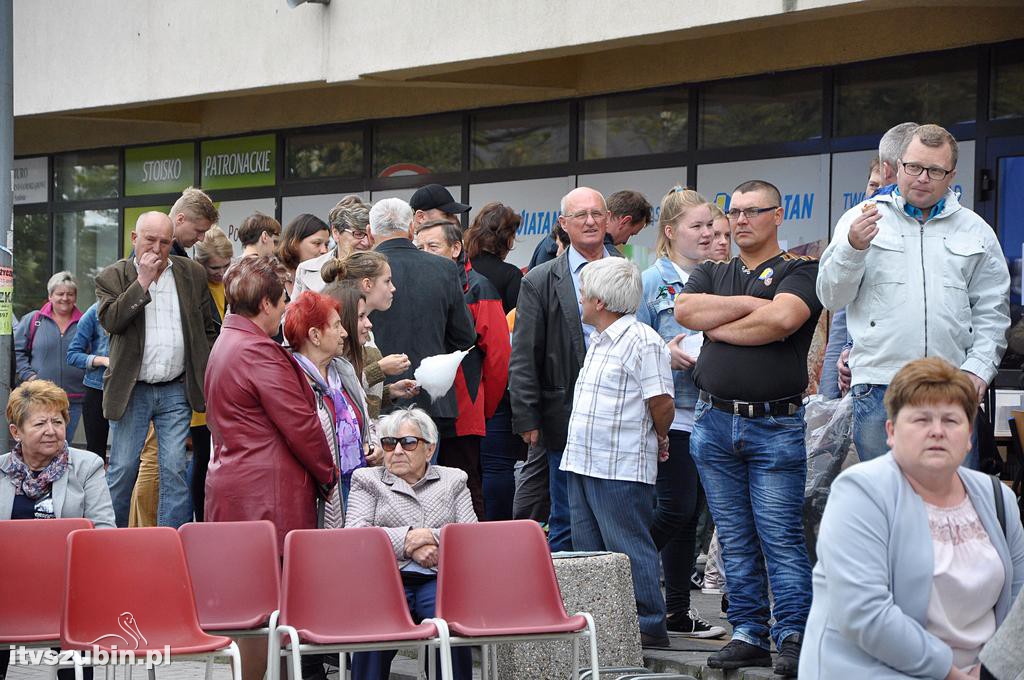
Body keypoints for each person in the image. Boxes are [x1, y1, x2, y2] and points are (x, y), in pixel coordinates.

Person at [675, 179, 823, 675]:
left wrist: (717, 324)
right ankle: (749, 631)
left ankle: (794, 634)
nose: (739, 221)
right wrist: (750, 307)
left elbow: (783, 321)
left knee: (779, 535)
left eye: (752, 212)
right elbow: (684, 311)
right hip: (714, 422)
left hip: (774, 426)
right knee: (735, 536)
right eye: (733, 212)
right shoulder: (713, 269)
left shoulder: (801, 270)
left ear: (778, 215)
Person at [800, 357, 1024, 679]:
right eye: (921, 420)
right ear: (891, 432)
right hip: (877, 670)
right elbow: (865, 613)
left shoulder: (997, 497)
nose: (937, 431)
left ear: (970, 435)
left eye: (951, 420)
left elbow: (1017, 603)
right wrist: (953, 674)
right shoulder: (860, 492)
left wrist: (993, 671)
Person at [817, 124, 1011, 464]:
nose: (922, 177)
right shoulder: (860, 220)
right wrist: (852, 248)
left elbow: (993, 311)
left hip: (949, 388)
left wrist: (978, 371)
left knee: (948, 503)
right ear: (898, 166)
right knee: (886, 505)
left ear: (951, 175)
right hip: (879, 388)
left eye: (935, 170)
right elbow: (831, 297)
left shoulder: (976, 230)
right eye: (914, 167)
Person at [562, 257, 674, 647]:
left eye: (585, 293)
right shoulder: (600, 339)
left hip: (620, 464)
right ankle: (601, 625)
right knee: (588, 553)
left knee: (627, 546)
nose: (581, 299)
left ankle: (648, 624)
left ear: (601, 302)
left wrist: (660, 436)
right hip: (584, 460)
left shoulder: (643, 340)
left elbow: (661, 401)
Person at [637, 188, 726, 639]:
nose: (708, 233)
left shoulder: (719, 277)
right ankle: (610, 578)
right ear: (671, 233)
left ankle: (675, 610)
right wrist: (663, 354)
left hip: (713, 411)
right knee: (675, 508)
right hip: (669, 416)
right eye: (697, 226)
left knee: (690, 517)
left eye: (711, 225)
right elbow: (627, 343)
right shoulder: (652, 281)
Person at [509, 187, 618, 551]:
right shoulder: (540, 280)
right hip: (564, 414)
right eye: (580, 215)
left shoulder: (626, 271)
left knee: (618, 516)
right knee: (567, 516)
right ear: (563, 224)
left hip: (619, 415)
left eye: (597, 214)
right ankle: (564, 602)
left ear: (607, 220)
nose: (590, 222)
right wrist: (527, 416)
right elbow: (524, 353)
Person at [204, 257, 338, 551]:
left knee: (243, 587)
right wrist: (328, 474)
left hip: (237, 490)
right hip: (266, 497)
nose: (284, 310)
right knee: (275, 590)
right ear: (266, 304)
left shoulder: (226, 342)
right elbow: (301, 424)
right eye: (282, 302)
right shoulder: (258, 350)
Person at [95, 211, 218, 528]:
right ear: (135, 239)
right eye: (150, 240)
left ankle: (170, 539)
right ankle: (109, 538)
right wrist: (143, 282)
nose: (158, 248)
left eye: (165, 241)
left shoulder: (191, 272)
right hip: (132, 389)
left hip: (176, 388)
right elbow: (112, 321)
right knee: (122, 468)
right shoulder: (113, 276)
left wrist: (201, 366)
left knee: (175, 467)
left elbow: (209, 328)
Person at [346, 407, 476, 680]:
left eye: (408, 442)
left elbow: (469, 537)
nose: (397, 451)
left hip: (436, 579)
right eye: (389, 443)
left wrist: (428, 536)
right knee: (376, 625)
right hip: (384, 579)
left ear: (429, 449)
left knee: (449, 623)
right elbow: (356, 537)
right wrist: (409, 541)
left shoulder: (453, 479)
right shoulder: (367, 480)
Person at [415, 218, 511, 520]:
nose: (425, 253)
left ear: (456, 248)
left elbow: (498, 358)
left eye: (433, 246)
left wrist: (484, 408)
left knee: (465, 490)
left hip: (463, 409)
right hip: (419, 409)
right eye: (420, 247)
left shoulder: (479, 287)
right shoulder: (412, 284)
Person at [368, 198, 477, 447]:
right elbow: (465, 337)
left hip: (375, 397)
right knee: (425, 483)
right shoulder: (445, 268)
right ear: (410, 230)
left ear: (369, 232)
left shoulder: (358, 269)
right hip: (430, 396)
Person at [463, 203, 527, 519]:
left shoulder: (461, 272)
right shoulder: (511, 276)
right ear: (507, 237)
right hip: (497, 383)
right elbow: (514, 339)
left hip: (463, 384)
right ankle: (496, 530)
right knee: (498, 464)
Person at [285, 291, 372, 517]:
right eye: (336, 326)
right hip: (318, 494)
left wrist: (373, 446)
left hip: (356, 484)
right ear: (315, 335)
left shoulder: (343, 370)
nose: (344, 333)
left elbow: (365, 417)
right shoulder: (291, 379)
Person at [0, 379, 114, 525]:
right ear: (16, 432)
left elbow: (103, 527)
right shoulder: (2, 468)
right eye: (40, 424)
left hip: (68, 548)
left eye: (57, 422)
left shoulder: (88, 467)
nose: (51, 431)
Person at [820, 157, 884, 400]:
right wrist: (828, 396)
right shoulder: (851, 228)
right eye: (872, 185)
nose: (876, 193)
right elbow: (840, 317)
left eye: (883, 186)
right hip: (854, 389)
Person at [320, 252, 411, 419]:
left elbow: (362, 395)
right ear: (367, 284)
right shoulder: (340, 332)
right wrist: (380, 368)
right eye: (387, 281)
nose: (393, 288)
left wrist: (390, 391)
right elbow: (337, 388)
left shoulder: (366, 330)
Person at [190, 226, 234, 520]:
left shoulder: (231, 284)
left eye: (225, 266)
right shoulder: (194, 284)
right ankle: (201, 517)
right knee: (202, 457)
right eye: (213, 267)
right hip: (201, 381)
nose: (219, 272)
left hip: (224, 381)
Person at [15, 271, 86, 438]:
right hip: (40, 397)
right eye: (60, 294)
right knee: (41, 441)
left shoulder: (85, 322)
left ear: (75, 297)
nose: (65, 298)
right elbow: (18, 351)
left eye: (70, 294)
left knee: (63, 442)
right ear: (50, 296)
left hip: (73, 398)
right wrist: (29, 375)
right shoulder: (34, 320)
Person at [527, 189, 649, 268]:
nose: (590, 222)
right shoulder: (552, 252)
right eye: (631, 234)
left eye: (596, 214)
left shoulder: (549, 242)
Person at [293, 195, 374, 298]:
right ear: (336, 233)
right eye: (358, 234)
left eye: (370, 234)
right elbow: (292, 313)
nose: (366, 242)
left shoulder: (383, 269)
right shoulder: (306, 270)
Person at [65, 302, 109, 461]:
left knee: (128, 455)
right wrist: (102, 360)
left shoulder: (140, 306)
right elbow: (72, 355)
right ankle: (95, 486)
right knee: (95, 453)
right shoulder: (94, 312)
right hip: (97, 387)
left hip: (132, 388)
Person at [463, 201, 524, 315]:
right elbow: (517, 322)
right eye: (513, 236)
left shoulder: (462, 268)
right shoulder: (511, 274)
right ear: (506, 238)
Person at [278, 214, 330, 299]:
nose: (324, 251)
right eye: (317, 243)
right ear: (294, 243)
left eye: (326, 245)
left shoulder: (325, 277)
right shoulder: (270, 277)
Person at [169, 186, 219, 256]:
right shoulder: (162, 255)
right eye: (199, 231)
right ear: (180, 219)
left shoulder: (175, 253)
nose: (201, 239)